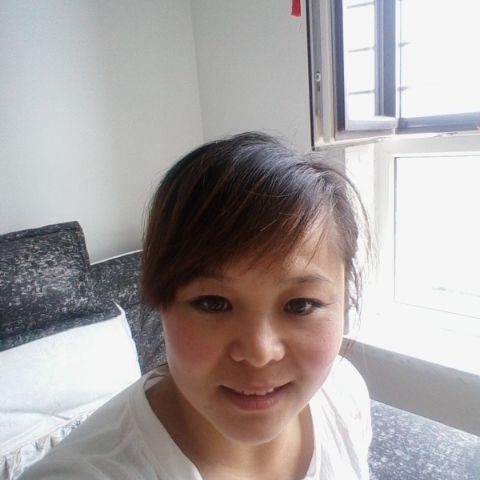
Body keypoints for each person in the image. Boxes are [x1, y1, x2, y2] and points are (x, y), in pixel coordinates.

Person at [21, 132, 372, 480]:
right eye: (213, 303)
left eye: (300, 305)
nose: (259, 353)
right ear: (161, 302)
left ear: (345, 300)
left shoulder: (345, 396)